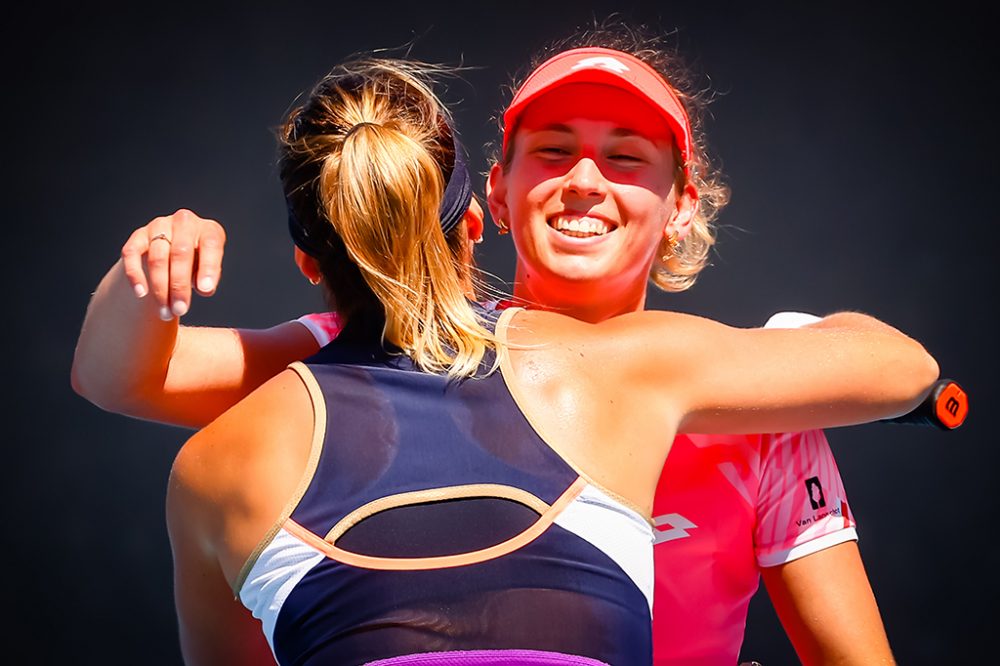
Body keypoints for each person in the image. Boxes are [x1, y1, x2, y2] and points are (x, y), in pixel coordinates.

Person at [71, 30, 920, 665]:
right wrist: (151, 262)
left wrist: (790, 355)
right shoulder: (376, 351)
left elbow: (903, 369)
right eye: (554, 153)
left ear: (683, 207)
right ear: (496, 199)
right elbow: (122, 377)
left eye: (625, 159)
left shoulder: (761, 404)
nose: (585, 180)